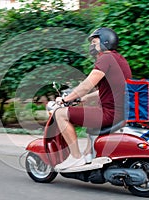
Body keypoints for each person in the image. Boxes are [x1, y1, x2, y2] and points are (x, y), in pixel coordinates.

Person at [54, 27, 132, 170]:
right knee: (90, 113)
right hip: (120, 112)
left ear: (105, 42)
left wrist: (65, 100)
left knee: (60, 114)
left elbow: (86, 85)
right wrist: (84, 98)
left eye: (95, 42)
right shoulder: (119, 59)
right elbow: (108, 89)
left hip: (110, 113)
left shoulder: (106, 58)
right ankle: (89, 154)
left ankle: (76, 157)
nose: (92, 46)